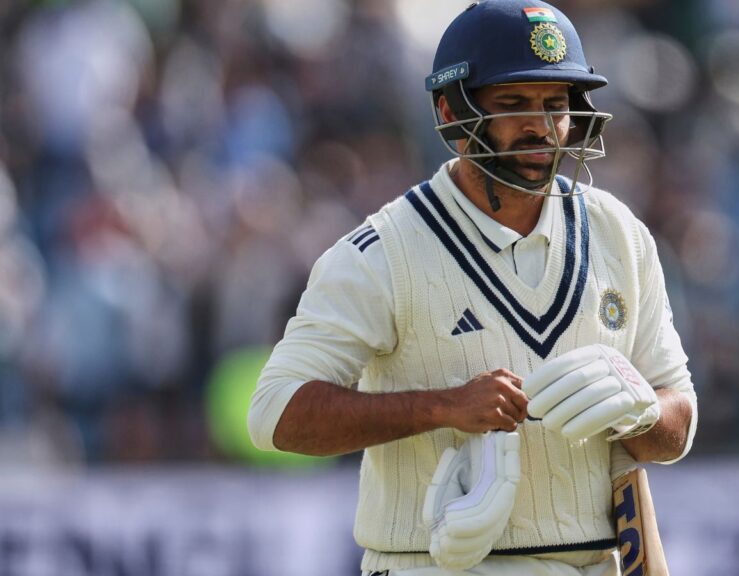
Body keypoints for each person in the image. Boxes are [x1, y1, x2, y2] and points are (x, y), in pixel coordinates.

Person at [248, 1, 698, 574]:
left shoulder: (619, 233)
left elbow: (677, 419)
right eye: (513, 104)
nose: (540, 126)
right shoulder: (384, 252)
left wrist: (639, 411)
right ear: (450, 110)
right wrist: (442, 407)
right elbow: (276, 415)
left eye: (555, 105)